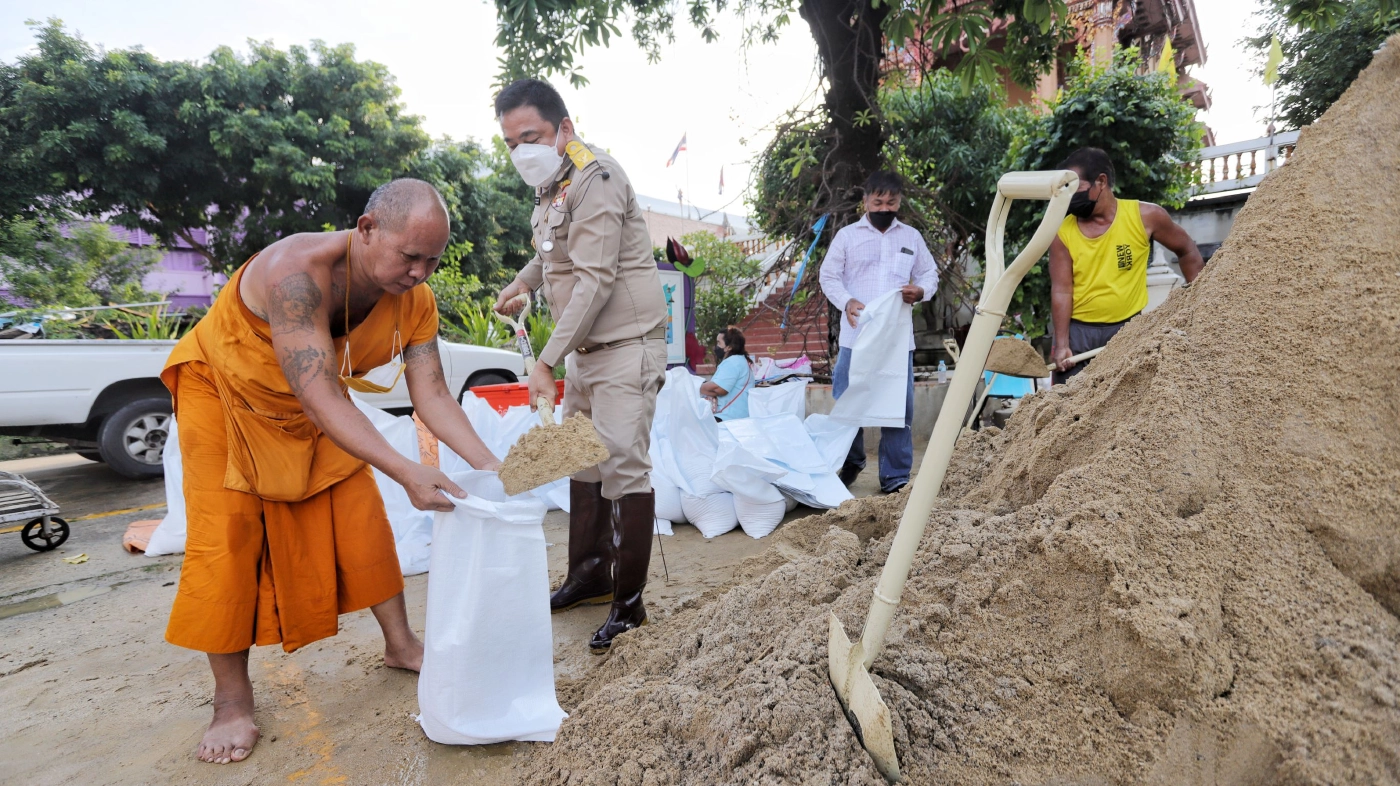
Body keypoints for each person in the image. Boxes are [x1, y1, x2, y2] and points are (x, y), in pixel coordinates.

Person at [160, 179, 503, 765]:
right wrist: (406, 470)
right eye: (408, 256)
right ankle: (231, 700)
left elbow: (434, 395)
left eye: (432, 260)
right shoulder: (296, 274)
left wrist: (494, 467)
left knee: (360, 514)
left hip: (312, 405)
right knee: (227, 539)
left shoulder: (415, 300)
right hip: (224, 396)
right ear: (366, 229)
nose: (419, 272)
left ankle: (401, 644)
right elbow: (321, 392)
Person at [491, 79, 668, 651]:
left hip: (624, 347)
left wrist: (545, 361)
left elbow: (594, 280)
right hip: (589, 353)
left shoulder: (598, 179)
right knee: (584, 465)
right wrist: (522, 282)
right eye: (511, 142)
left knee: (621, 466)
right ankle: (590, 573)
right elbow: (553, 255)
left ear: (564, 128)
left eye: (531, 136)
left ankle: (630, 602)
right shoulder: (552, 187)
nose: (522, 151)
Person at [819, 171, 937, 493]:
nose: (885, 207)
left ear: (899, 202)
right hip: (855, 338)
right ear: (866, 201)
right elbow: (828, 277)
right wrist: (847, 301)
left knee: (899, 409)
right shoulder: (847, 237)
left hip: (897, 342)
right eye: (878, 202)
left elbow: (929, 274)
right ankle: (851, 463)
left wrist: (921, 290)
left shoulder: (911, 237)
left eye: (892, 202)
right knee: (848, 404)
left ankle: (896, 479)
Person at [1049, 147, 1204, 382]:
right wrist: (1061, 344)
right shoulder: (1062, 232)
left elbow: (1187, 249)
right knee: (1068, 411)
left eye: (1075, 188)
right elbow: (1062, 290)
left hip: (1128, 332)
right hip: (1079, 337)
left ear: (1101, 181)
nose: (1069, 197)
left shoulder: (1146, 217)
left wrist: (1200, 302)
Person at [701, 327, 755, 421]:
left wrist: (695, 386)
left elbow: (719, 389)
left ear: (729, 347)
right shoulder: (739, 360)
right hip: (735, 416)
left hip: (727, 417)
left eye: (719, 343)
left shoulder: (733, 362)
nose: (716, 346)